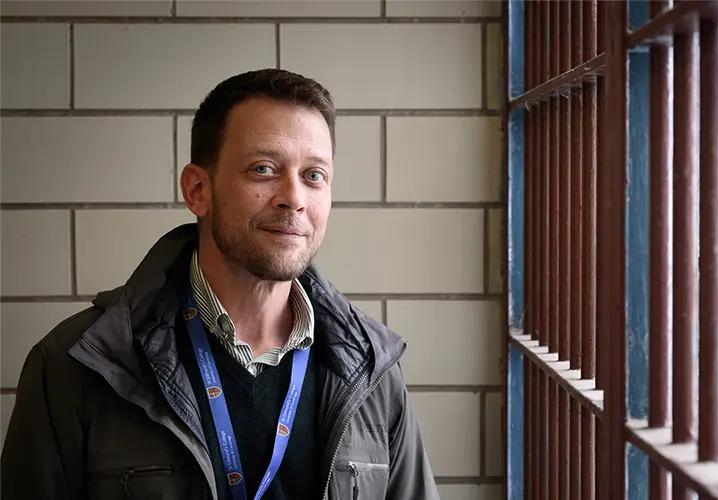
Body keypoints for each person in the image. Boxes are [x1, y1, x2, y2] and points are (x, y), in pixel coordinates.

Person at [1, 69, 439, 500]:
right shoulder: (78, 365)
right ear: (197, 190)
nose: (295, 197)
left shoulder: (372, 370)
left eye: (314, 175)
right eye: (263, 169)